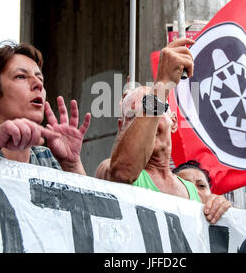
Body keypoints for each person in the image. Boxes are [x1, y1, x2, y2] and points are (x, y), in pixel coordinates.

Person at [96, 37, 231, 224]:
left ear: (174, 121)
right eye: (133, 116)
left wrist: (220, 205)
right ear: (122, 128)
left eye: (152, 110)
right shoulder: (108, 170)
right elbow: (122, 172)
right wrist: (161, 85)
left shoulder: (193, 193)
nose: (145, 122)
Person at [0, 42, 91, 174]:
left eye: (40, 79)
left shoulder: (47, 159)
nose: (38, 84)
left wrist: (71, 165)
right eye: (21, 76)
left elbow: (86, 201)